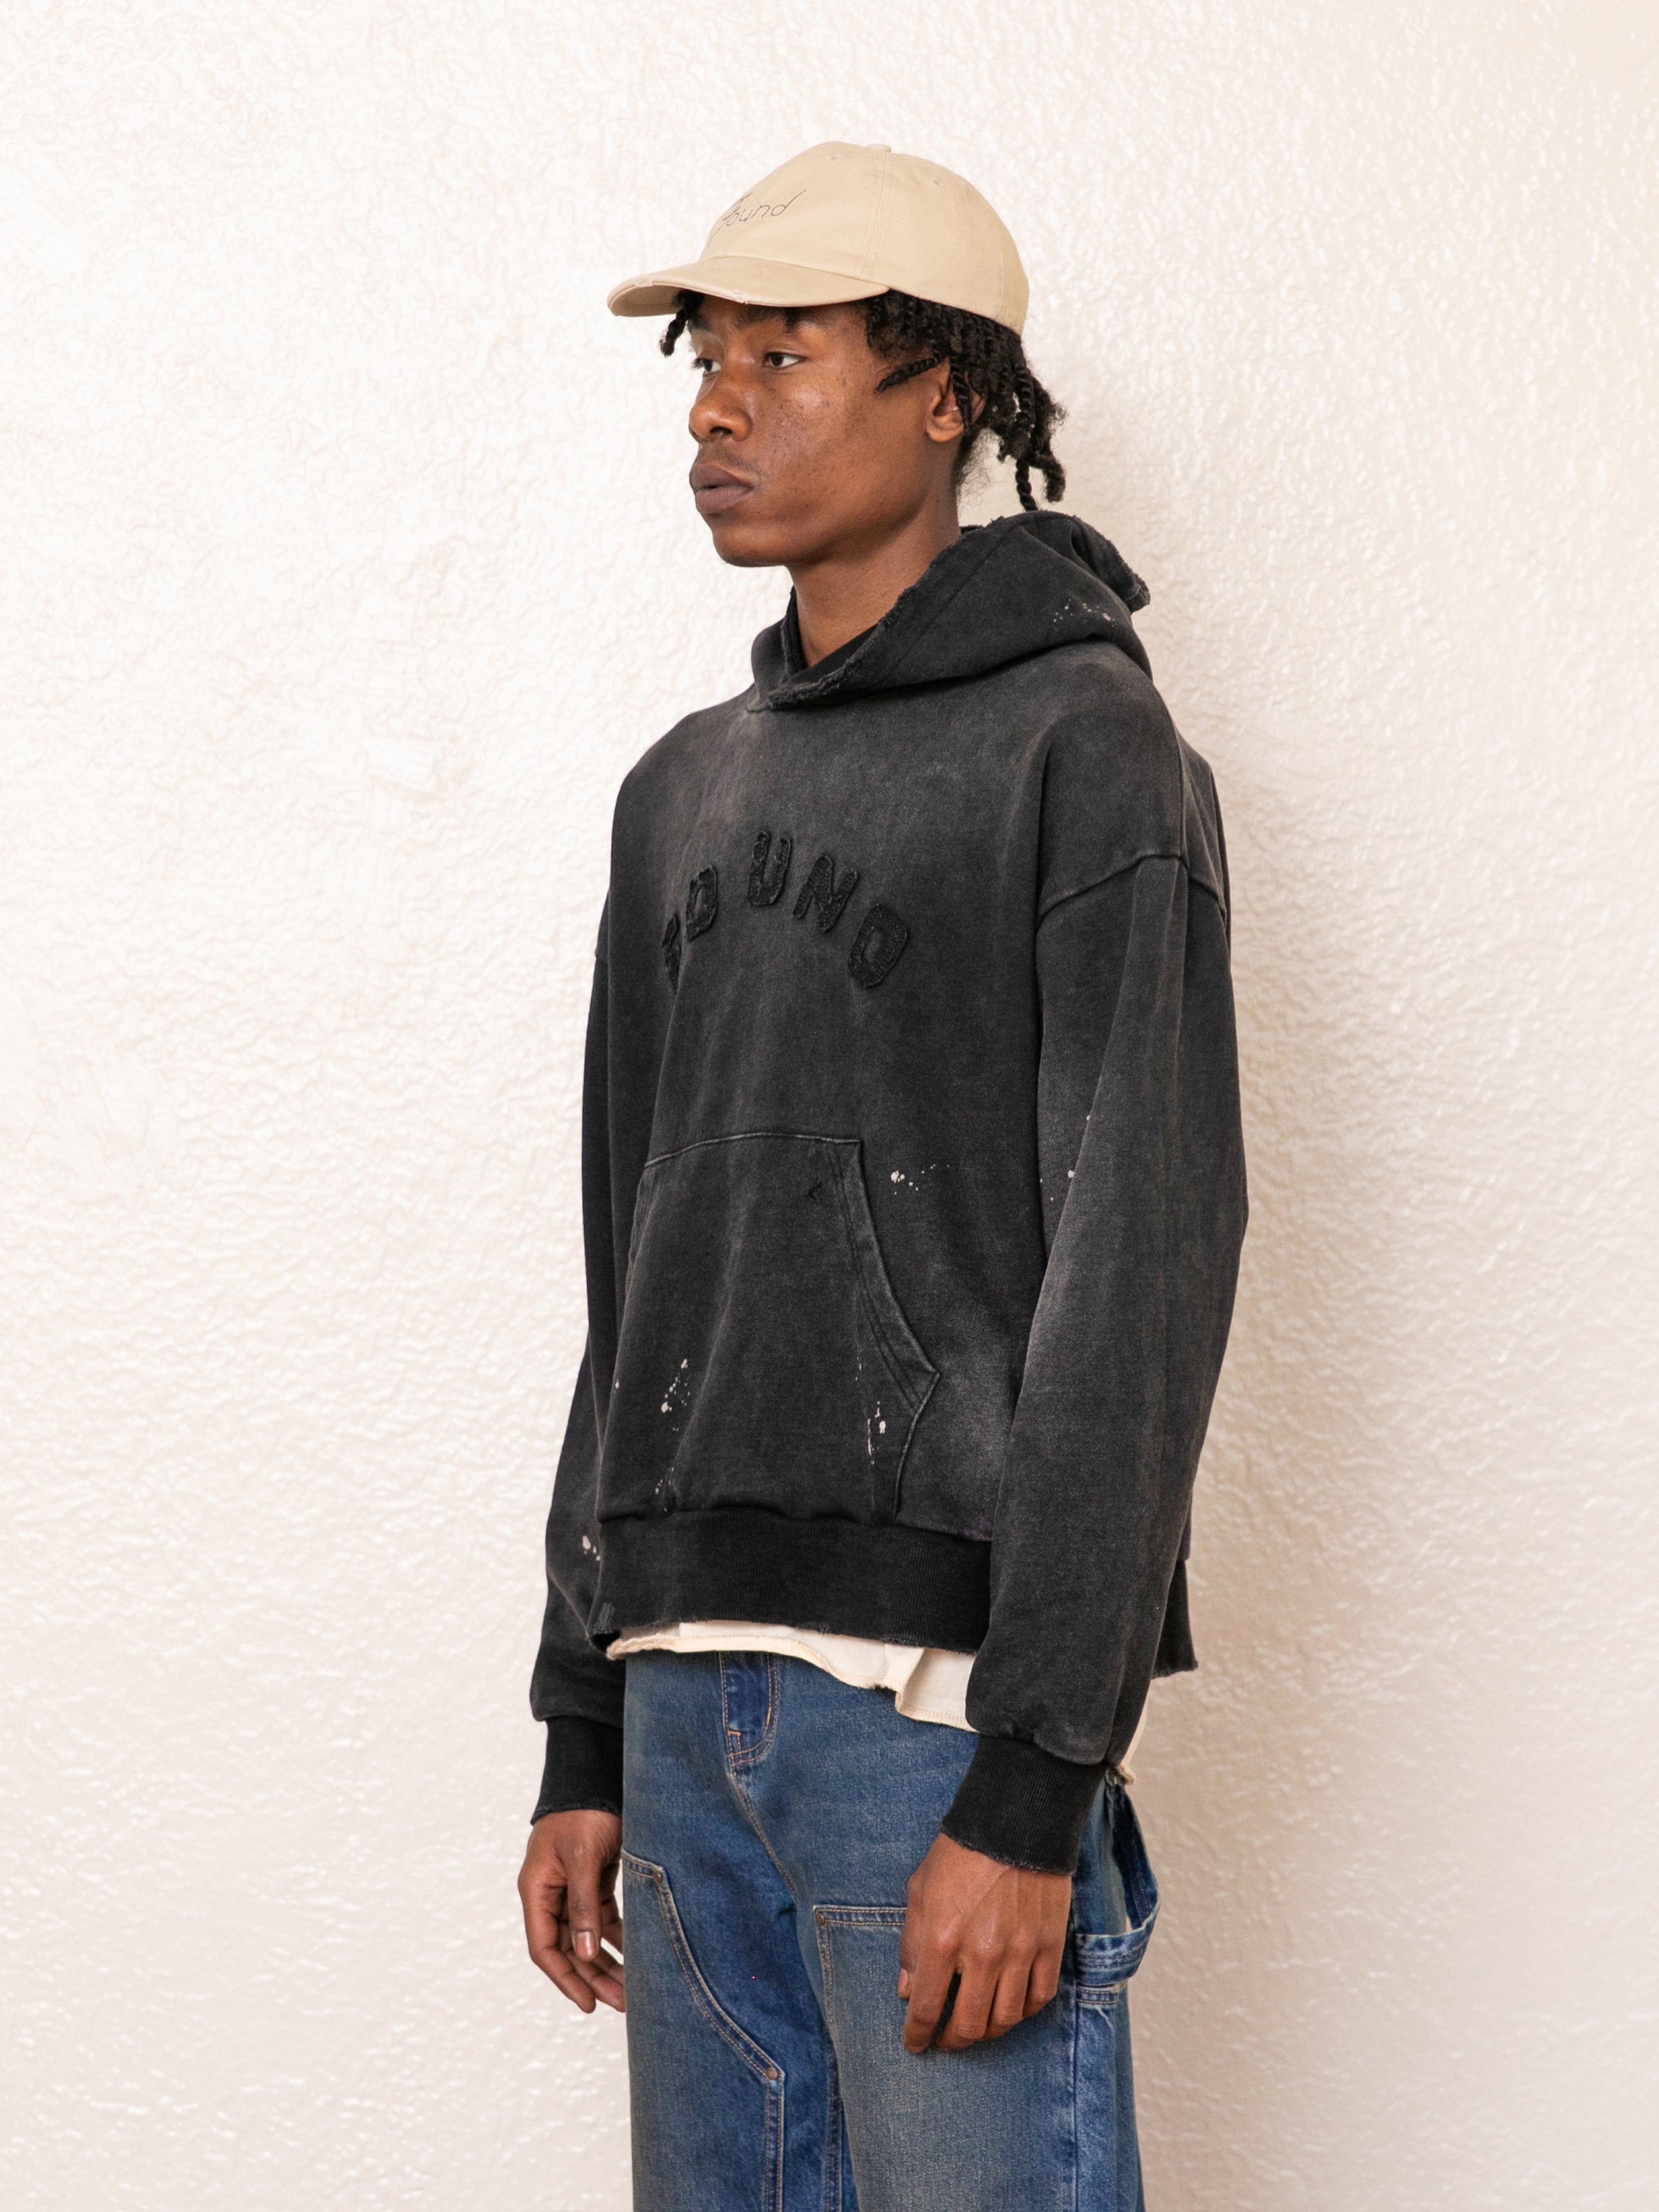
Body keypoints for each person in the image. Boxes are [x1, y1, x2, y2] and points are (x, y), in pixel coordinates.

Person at [516, 141, 1247, 2211]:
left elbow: (1145, 1268)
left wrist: (1036, 1784)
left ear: (947, 393)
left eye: (783, 351)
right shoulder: (681, 793)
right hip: (682, 1714)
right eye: (703, 361)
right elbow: (631, 1276)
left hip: (925, 1727)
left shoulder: (1087, 755)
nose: (717, 406)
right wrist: (585, 1721)